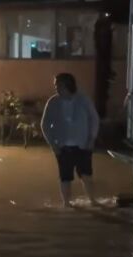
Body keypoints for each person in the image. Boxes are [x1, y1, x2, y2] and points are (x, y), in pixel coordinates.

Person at [41, 73, 100, 207]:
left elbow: (94, 118)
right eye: (55, 85)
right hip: (62, 146)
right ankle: (66, 204)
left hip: (83, 145)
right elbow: (45, 124)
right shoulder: (53, 102)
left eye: (58, 85)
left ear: (67, 85)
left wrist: (92, 138)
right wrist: (52, 144)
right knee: (65, 177)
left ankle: (93, 201)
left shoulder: (83, 100)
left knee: (86, 175)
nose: (56, 88)